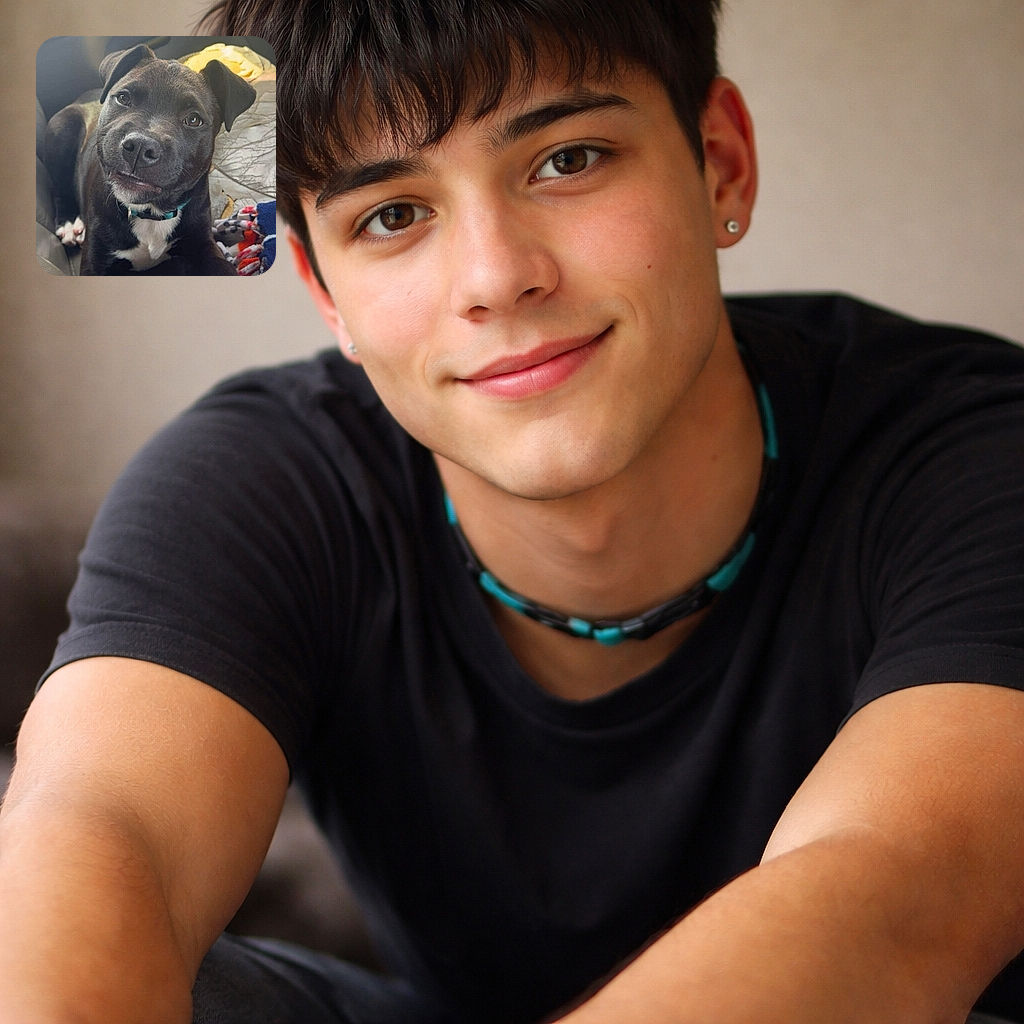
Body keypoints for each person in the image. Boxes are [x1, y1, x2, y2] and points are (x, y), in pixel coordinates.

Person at [2, 1, 1023, 1021]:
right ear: (322, 287)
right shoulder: (257, 481)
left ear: (720, 164)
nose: (495, 277)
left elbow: (894, 901)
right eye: (392, 217)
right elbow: (103, 821)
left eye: (568, 159)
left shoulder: (973, 451)